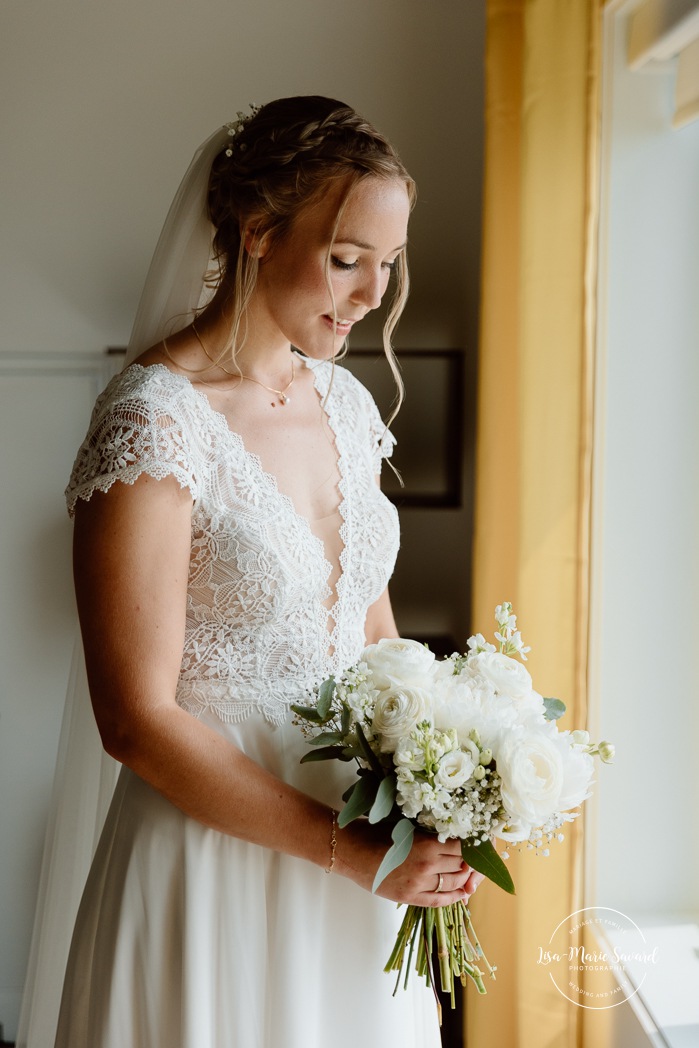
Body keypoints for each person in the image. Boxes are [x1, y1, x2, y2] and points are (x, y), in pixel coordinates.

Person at [50, 95, 482, 1047]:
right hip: (215, 864)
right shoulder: (154, 422)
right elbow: (134, 719)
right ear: (257, 231)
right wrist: (350, 853)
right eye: (346, 259)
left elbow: (369, 630)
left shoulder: (344, 401)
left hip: (363, 852)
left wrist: (445, 780)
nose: (371, 295)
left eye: (389, 263)